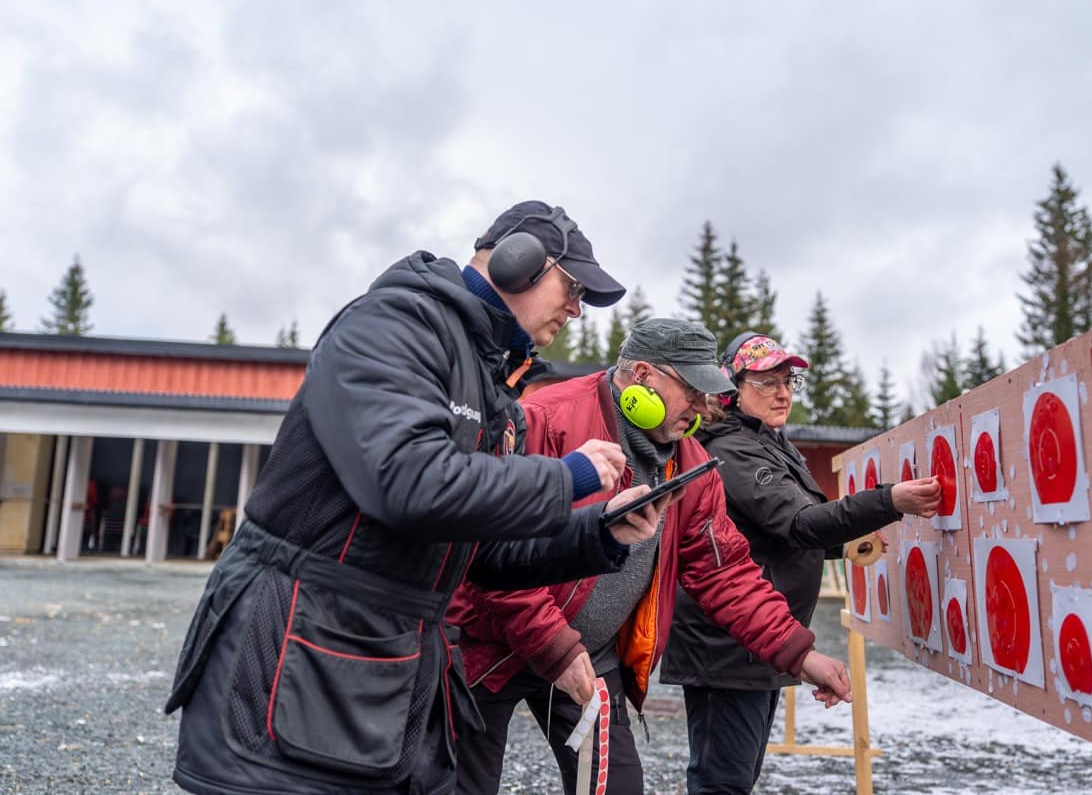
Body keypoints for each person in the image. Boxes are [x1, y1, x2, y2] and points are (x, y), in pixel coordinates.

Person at [166, 201, 671, 795]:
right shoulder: (395, 325)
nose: (575, 307)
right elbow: (408, 482)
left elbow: (479, 552)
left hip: (386, 665)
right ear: (519, 263)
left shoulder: (491, 383)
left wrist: (598, 534)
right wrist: (569, 479)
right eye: (572, 285)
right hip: (293, 661)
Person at [448, 318, 857, 795]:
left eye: (710, 394)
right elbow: (488, 547)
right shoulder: (544, 417)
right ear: (643, 375)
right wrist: (554, 646)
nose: (703, 408)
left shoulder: (693, 465)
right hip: (486, 648)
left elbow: (726, 574)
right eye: (693, 391)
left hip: (590, 655)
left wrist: (800, 654)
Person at [660, 332, 942, 794]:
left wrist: (843, 545)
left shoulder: (767, 441)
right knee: (721, 783)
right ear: (732, 386)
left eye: (787, 380)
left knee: (735, 780)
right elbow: (800, 524)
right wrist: (889, 500)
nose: (784, 392)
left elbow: (774, 534)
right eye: (767, 382)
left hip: (756, 642)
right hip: (727, 647)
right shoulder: (730, 448)